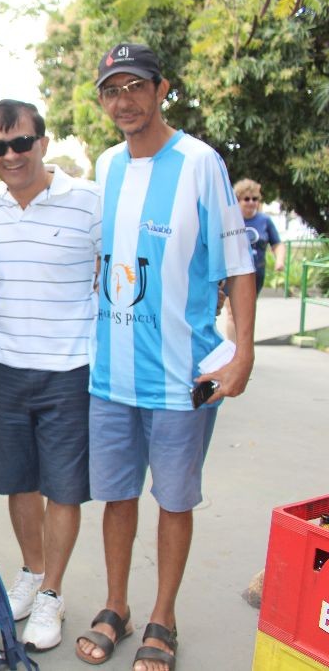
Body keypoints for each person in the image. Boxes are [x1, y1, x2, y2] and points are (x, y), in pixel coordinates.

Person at [75, 44, 255, 671]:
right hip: (111, 375)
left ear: (161, 89)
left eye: (135, 87)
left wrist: (243, 355)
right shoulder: (106, 165)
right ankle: (116, 606)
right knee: (117, 497)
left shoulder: (201, 162)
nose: (123, 101)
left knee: (174, 501)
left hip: (183, 375)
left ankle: (163, 616)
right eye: (111, 90)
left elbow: (238, 265)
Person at [0, 99, 101, 652]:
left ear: (43, 143)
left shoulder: (89, 201)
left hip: (69, 369)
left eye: (21, 143)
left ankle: (52, 591)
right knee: (18, 481)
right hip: (6, 364)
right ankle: (31, 572)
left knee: (63, 487)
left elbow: (120, 269)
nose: (10, 155)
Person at [225, 178, 285, 341]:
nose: (251, 202)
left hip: (255, 274)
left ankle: (244, 349)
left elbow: (277, 244)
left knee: (247, 314)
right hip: (233, 273)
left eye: (255, 199)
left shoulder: (264, 221)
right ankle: (233, 349)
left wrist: (279, 261)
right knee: (232, 313)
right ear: (238, 200)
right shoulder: (230, 219)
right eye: (246, 199)